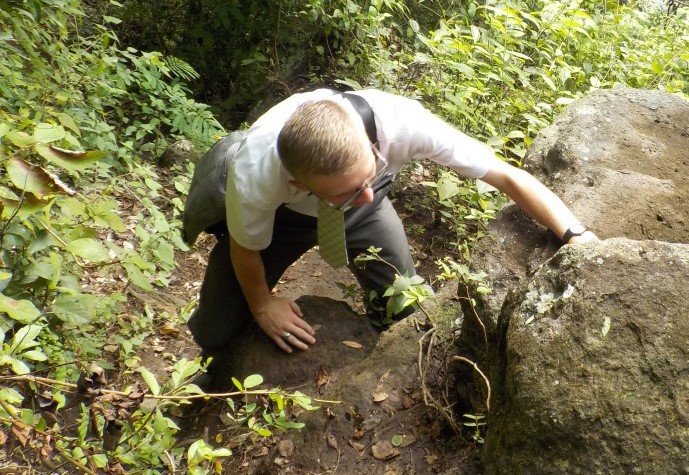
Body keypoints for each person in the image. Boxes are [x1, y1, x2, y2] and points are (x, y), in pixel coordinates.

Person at [182, 88, 597, 389]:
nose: (363, 191)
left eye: (370, 171)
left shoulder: (400, 123)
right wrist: (262, 304)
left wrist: (575, 233)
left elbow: (505, 175)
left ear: (368, 142)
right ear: (297, 181)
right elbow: (245, 246)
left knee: (408, 309)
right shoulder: (256, 173)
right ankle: (213, 371)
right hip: (285, 217)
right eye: (347, 188)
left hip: (364, 214)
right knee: (219, 322)